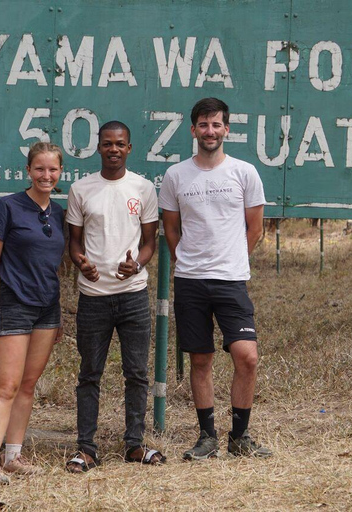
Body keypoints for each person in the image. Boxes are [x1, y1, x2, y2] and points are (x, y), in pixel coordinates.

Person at [159, 97, 272, 460]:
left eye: (216, 125)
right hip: (190, 280)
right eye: (203, 125)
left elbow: (254, 228)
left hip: (231, 280)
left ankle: (240, 437)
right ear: (193, 130)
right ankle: (207, 437)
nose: (210, 131)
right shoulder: (176, 175)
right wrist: (188, 260)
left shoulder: (244, 172)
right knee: (201, 360)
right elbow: (171, 229)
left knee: (247, 357)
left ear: (227, 129)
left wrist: (232, 258)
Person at [64, 121, 165, 472]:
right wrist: (81, 263)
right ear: (98, 147)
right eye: (107, 144)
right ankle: (86, 450)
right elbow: (74, 241)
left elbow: (150, 242)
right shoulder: (81, 189)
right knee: (90, 373)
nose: (114, 149)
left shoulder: (143, 188)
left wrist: (136, 263)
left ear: (129, 148)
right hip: (93, 297)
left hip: (133, 295)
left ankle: (134, 444)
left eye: (120, 144)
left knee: (136, 373)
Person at [0, 142, 66, 486]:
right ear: (28, 171)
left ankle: (13, 455)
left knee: (28, 385)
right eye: (40, 169)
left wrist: (59, 314)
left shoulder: (58, 212)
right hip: (13, 303)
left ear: (61, 173)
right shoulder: (8, 207)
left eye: (53, 170)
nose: (46, 176)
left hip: (47, 307)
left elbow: (56, 262)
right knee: (5, 386)